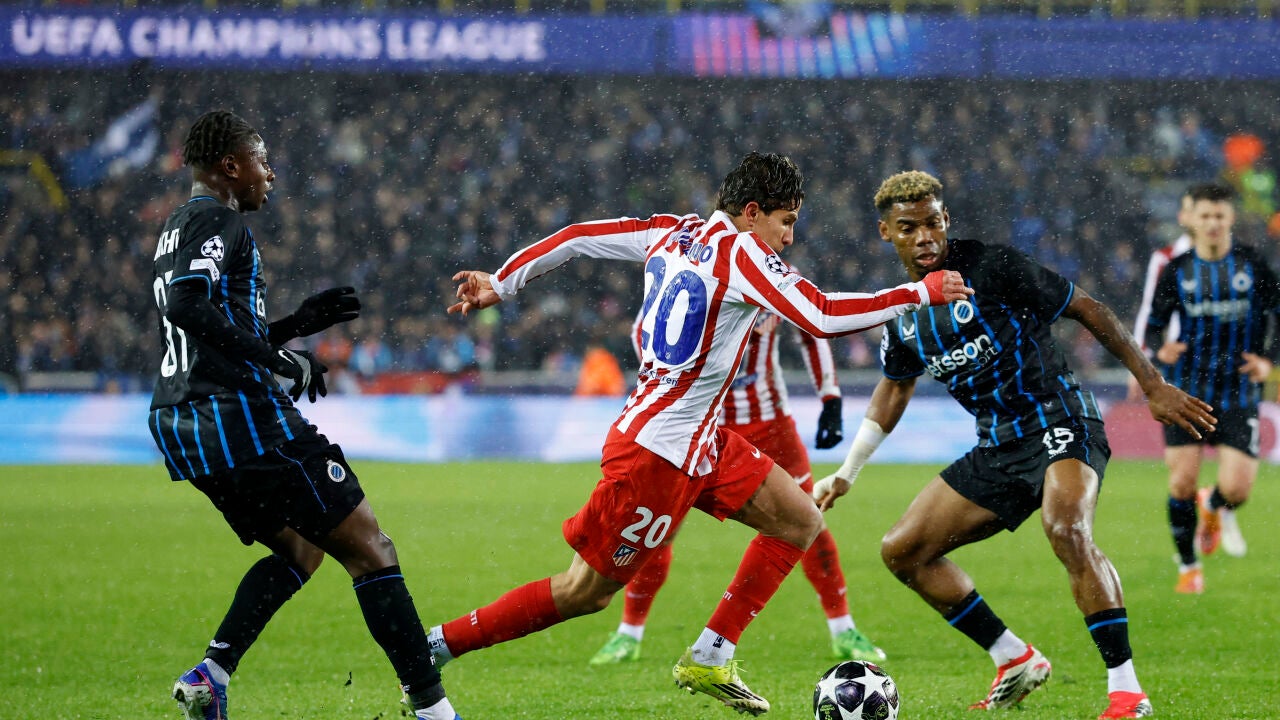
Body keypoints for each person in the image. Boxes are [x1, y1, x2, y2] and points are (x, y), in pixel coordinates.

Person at [435, 152, 972, 715]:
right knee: (582, 593)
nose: (788, 238)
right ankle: (435, 647)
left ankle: (711, 655)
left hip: (702, 439)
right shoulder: (743, 253)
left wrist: (502, 282)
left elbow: (575, 237)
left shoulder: (668, 231)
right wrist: (920, 292)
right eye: (785, 222)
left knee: (800, 520)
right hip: (656, 453)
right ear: (752, 211)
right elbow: (820, 315)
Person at [813, 171, 1215, 720]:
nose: (925, 237)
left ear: (946, 219)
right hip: (999, 445)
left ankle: (1126, 691)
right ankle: (1014, 658)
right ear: (887, 233)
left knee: (1066, 528)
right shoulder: (902, 314)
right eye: (909, 228)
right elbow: (895, 387)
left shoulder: (992, 267)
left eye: (932, 223)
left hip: (1060, 418)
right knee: (903, 551)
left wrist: (1152, 385)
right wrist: (847, 472)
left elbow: (1088, 308)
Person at [149, 110, 458, 720]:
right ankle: (434, 712)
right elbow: (186, 304)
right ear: (230, 165)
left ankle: (211, 675)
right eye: (261, 161)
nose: (270, 174)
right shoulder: (217, 218)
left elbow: (208, 327)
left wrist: (292, 326)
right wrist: (280, 360)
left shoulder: (177, 225)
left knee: (300, 549)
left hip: (183, 423)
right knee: (370, 547)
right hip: (238, 416)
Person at [587, 281, 885, 668]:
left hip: (770, 424)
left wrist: (829, 394)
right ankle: (629, 633)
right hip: (703, 426)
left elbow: (813, 328)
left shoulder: (778, 275)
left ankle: (843, 629)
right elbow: (643, 327)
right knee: (661, 527)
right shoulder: (697, 270)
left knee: (810, 520)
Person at [1144, 181, 1280, 591]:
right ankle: (1189, 568)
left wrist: (1269, 360)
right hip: (1187, 390)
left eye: (1219, 215)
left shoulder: (1252, 264)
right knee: (1181, 483)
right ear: (1192, 220)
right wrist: (1161, 349)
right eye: (1205, 215)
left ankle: (1215, 503)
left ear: (1230, 217)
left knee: (1238, 489)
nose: (1212, 223)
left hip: (1239, 390)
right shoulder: (1177, 269)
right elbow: (1153, 325)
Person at [1126, 190, 1194, 401]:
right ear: (1182, 216)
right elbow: (1149, 309)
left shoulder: (1240, 262)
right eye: (1192, 210)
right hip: (1182, 362)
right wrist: (1140, 363)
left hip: (1229, 364)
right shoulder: (1165, 259)